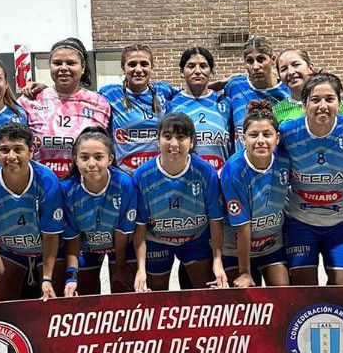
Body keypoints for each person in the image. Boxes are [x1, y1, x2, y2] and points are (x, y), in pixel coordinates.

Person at [279, 73, 343, 286]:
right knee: (304, 288)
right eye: (315, 100)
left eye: (330, 99)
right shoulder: (288, 132)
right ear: (304, 104)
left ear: (339, 101)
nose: (323, 106)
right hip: (300, 221)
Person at [132, 113, 227, 291]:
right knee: (157, 292)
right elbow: (140, 227)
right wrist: (141, 269)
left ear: (191, 142)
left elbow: (215, 220)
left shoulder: (205, 172)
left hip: (195, 237)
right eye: (167, 137)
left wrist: (217, 260)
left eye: (181, 137)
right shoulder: (142, 175)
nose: (174, 144)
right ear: (158, 140)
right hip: (157, 240)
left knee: (203, 287)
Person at [0, 122, 64, 303]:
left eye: (18, 149)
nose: (11, 156)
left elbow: (50, 236)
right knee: (0, 300)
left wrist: (46, 279)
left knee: (54, 300)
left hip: (45, 247)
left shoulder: (47, 182)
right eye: (4, 150)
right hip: (10, 250)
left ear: (31, 152)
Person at [220, 100, 291, 287]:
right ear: (243, 139)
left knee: (284, 293)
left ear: (277, 138)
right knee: (245, 302)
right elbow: (242, 227)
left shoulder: (285, 160)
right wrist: (244, 273)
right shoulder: (233, 170)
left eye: (267, 134)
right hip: (235, 248)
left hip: (271, 244)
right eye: (253, 135)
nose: (260, 140)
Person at [60, 128, 139, 295]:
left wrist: (120, 267)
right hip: (86, 247)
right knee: (82, 295)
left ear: (110, 159)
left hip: (122, 246)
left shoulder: (124, 184)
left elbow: (122, 232)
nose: (91, 163)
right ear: (75, 159)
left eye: (98, 157)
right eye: (84, 157)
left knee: (123, 287)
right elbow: (73, 238)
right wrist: (71, 278)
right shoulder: (67, 189)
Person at [19, 38, 111, 178]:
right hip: (42, 185)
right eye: (57, 63)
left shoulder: (100, 103)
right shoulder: (29, 101)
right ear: (49, 66)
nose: (63, 68)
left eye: (71, 63)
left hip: (82, 187)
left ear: (83, 67)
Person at [100, 44, 180, 174]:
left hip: (157, 174)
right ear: (123, 68)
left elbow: (189, 93)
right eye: (132, 64)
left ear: (152, 67)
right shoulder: (110, 93)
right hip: (125, 176)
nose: (138, 69)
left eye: (144, 64)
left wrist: (221, 84)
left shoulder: (163, 90)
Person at [164, 46, 233, 171]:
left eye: (203, 66)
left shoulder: (225, 103)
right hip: (185, 179)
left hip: (219, 179)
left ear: (211, 71)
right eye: (191, 66)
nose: (197, 71)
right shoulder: (171, 105)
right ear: (181, 71)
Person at [222, 36, 289, 151]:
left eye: (261, 59)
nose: (255, 66)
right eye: (249, 61)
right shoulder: (235, 86)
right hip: (243, 165)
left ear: (273, 59)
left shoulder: (288, 90)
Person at [273, 48, 343, 122]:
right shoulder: (276, 111)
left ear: (310, 68)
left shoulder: (331, 101)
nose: (290, 72)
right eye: (283, 69)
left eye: (296, 65)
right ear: (279, 76)